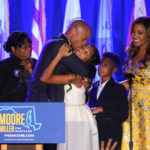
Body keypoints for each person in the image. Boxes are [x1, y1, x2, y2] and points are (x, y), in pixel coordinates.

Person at [40, 43, 100, 150]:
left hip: (75, 117)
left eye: (86, 52)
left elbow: (45, 78)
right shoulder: (74, 72)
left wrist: (59, 55)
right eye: (82, 47)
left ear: (88, 61)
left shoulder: (77, 76)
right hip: (73, 113)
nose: (81, 50)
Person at [26, 19, 96, 102]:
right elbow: (84, 70)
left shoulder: (55, 42)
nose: (84, 44)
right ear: (73, 31)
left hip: (44, 101)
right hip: (44, 101)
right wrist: (93, 67)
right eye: (83, 39)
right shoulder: (61, 45)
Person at [88, 52, 128, 150]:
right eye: (100, 63)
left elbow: (123, 115)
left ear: (114, 70)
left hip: (110, 134)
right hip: (93, 131)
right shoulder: (92, 86)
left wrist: (102, 110)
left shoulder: (118, 88)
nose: (100, 67)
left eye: (105, 65)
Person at [121, 16, 150, 150]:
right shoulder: (132, 53)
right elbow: (132, 82)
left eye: (140, 32)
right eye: (133, 32)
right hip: (132, 107)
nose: (134, 35)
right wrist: (109, 87)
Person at [0, 31, 37, 102]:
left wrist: (31, 73)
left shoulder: (36, 64)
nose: (29, 49)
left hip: (36, 108)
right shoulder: (3, 67)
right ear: (13, 49)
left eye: (30, 46)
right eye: (25, 47)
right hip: (9, 110)